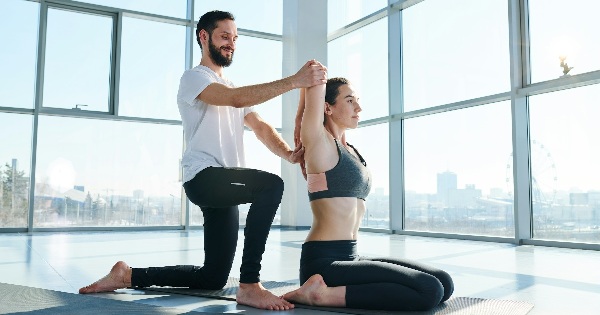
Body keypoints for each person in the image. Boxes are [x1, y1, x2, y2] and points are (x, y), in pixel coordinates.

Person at [78, 10, 327, 311]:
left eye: (234, 39)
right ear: (204, 37)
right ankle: (250, 285)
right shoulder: (194, 78)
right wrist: (295, 81)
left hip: (225, 182)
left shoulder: (234, 88)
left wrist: (288, 153)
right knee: (271, 186)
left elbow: (260, 126)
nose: (231, 44)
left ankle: (128, 275)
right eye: (224, 36)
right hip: (204, 176)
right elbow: (234, 100)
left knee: (213, 277)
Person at [282, 78, 454, 311]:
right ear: (327, 107)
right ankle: (319, 295)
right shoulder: (320, 143)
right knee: (429, 290)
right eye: (350, 101)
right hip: (324, 263)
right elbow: (310, 97)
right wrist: (312, 77)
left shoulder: (351, 150)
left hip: (351, 256)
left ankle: (329, 291)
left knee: (444, 282)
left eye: (357, 101)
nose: (358, 108)